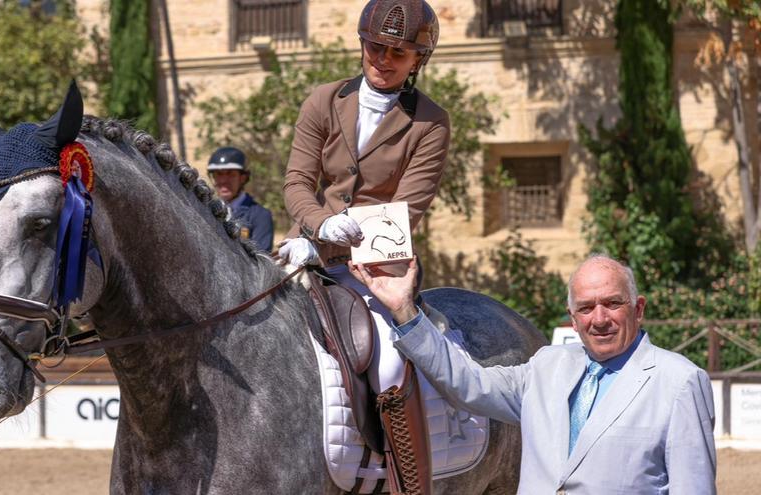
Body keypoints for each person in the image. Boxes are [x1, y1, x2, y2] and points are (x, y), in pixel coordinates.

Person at [350, 254, 717, 494]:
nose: (599, 319)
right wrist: (405, 313)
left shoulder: (680, 381)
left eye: (612, 303)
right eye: (586, 308)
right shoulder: (546, 366)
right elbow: (467, 383)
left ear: (638, 308)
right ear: (573, 320)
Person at [279, 0, 450, 396]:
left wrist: (335, 239)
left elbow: (407, 210)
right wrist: (319, 227)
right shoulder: (323, 100)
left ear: (417, 60)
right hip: (305, 248)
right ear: (361, 45)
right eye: (375, 47)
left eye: (398, 53)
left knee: (388, 366)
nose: (383, 60)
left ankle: (396, 458)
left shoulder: (430, 122)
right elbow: (297, 182)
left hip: (378, 264)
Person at [207, 146, 274, 252]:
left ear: (242, 178)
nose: (224, 180)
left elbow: (261, 260)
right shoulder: (206, 211)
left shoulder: (260, 215)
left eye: (231, 174)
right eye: (218, 174)